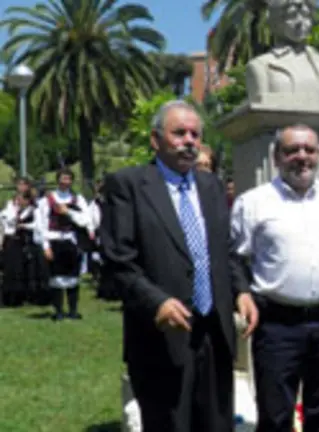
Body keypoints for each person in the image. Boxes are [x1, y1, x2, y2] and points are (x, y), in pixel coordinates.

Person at [99, 100, 258, 432]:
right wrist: (156, 302)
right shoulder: (128, 185)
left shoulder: (211, 186)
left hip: (215, 333)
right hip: (161, 339)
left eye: (195, 134)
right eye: (179, 133)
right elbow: (118, 260)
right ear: (155, 140)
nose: (189, 141)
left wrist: (241, 290)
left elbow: (225, 250)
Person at [230, 123, 319, 431]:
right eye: (292, 150)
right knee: (275, 414)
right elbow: (235, 258)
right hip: (278, 324)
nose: (302, 157)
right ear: (276, 157)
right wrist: (245, 294)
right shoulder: (252, 203)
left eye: (309, 150)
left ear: (318, 155)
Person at [37, 168, 94, 320]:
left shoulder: (78, 199)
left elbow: (85, 220)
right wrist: (45, 246)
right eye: (63, 178)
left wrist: (68, 212)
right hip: (54, 239)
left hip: (71, 240)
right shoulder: (47, 200)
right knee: (56, 278)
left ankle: (73, 310)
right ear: (58, 180)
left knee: (73, 277)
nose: (65, 182)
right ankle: (58, 311)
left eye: (68, 179)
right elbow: (41, 225)